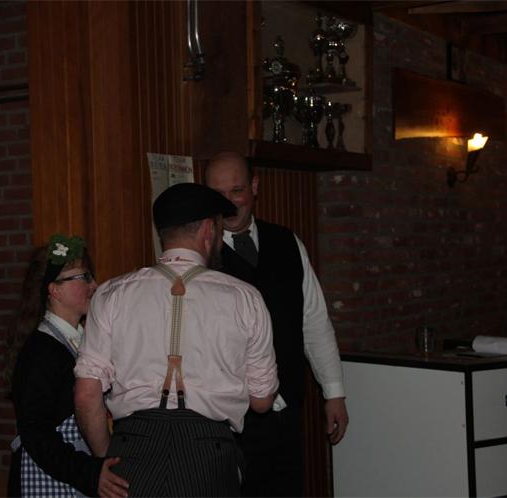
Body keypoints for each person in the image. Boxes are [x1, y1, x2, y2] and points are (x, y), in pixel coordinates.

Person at [73, 182, 279, 497]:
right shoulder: (245, 298)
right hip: (209, 457)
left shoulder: (111, 294)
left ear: (163, 234)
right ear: (208, 230)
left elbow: (86, 395)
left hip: (132, 452)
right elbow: (262, 401)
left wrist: (107, 457)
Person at [204, 151, 348, 497]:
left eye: (237, 191)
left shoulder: (287, 242)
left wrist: (334, 393)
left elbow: (314, 322)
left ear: (254, 187)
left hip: (286, 419)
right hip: (228, 428)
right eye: (218, 195)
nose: (229, 203)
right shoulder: (201, 258)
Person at [4, 234, 129, 498]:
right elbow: (37, 435)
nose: (94, 285)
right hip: (51, 482)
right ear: (54, 289)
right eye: (84, 277)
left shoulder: (84, 341)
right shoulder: (41, 352)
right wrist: (89, 473)